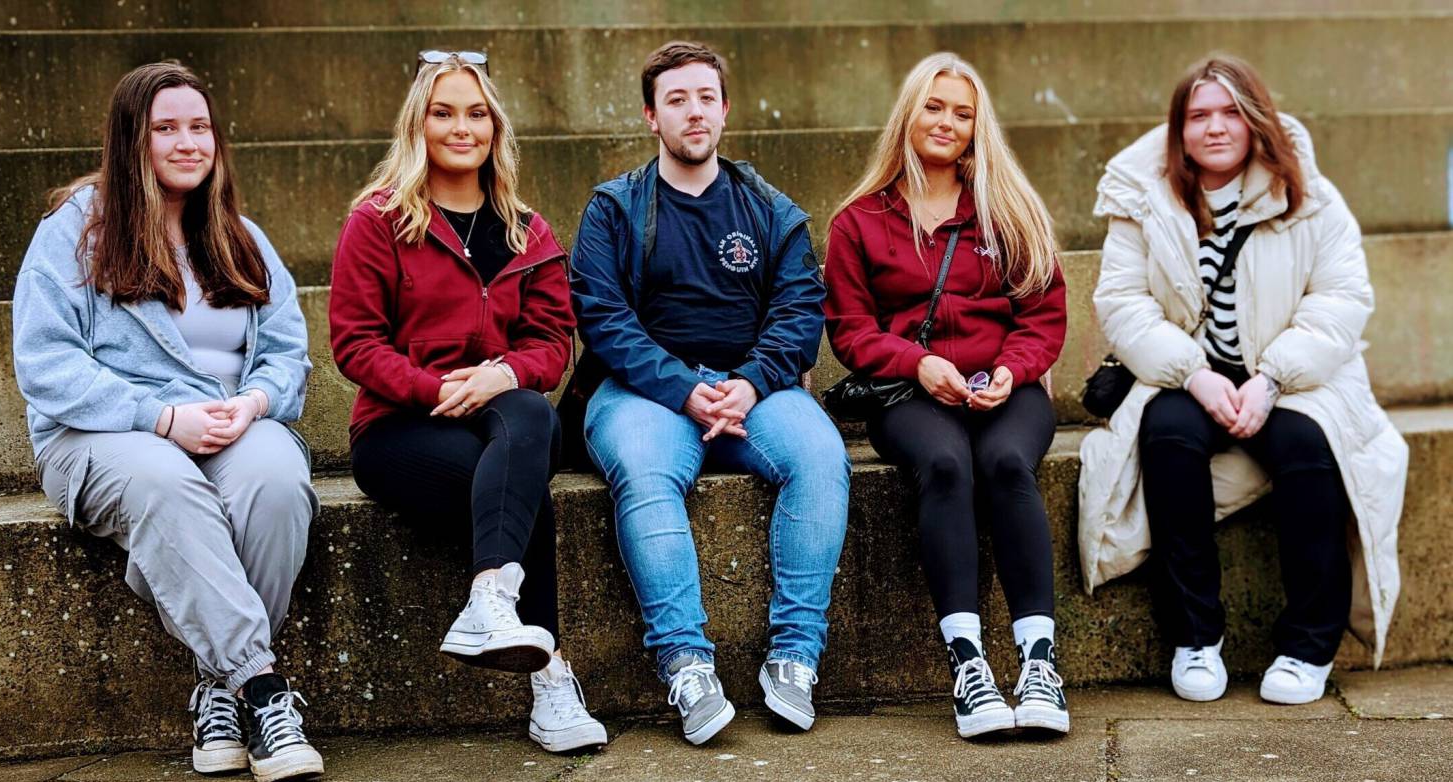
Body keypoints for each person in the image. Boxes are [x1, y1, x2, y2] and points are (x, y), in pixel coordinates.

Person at [11, 62, 322, 782]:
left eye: (200, 126)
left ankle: (220, 689)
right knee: (168, 486)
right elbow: (46, 362)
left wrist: (253, 404)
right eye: (166, 129)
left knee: (277, 480)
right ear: (131, 140)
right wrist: (159, 415)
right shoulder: (74, 232)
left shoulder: (239, 235)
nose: (189, 143)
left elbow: (287, 354)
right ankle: (265, 692)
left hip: (229, 421)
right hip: (101, 434)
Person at [1080, 54, 1408, 705]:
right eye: (1199, 114)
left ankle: (1308, 645)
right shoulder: (1143, 197)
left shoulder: (1311, 195)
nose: (1216, 127)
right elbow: (1123, 303)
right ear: (1178, 129)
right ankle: (1194, 638)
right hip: (1183, 376)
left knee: (1309, 448)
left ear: (1257, 119)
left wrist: (1272, 378)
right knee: (1167, 435)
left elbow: (1340, 300)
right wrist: (1193, 374)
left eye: (1232, 111)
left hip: (1294, 377)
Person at [570, 41, 849, 745]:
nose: (693, 112)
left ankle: (794, 656)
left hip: (756, 390)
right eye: (676, 100)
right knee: (644, 470)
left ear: (724, 110)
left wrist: (750, 382)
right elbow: (603, 321)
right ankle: (686, 662)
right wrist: (686, 388)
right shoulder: (613, 209)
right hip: (643, 393)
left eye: (705, 97)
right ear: (650, 117)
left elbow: (799, 314)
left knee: (821, 454)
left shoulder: (772, 211)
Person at [329, 49, 606, 753]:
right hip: (398, 430)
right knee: (526, 481)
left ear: (495, 127)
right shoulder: (378, 221)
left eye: (476, 113)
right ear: (417, 125)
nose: (462, 127)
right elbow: (355, 343)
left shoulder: (526, 229)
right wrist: (439, 388)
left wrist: (502, 374)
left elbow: (551, 339)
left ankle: (491, 600)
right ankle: (550, 676)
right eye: (443, 112)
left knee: (530, 415)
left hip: (499, 414)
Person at [823, 53, 1070, 739]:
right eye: (934, 106)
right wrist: (919, 361)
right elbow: (850, 328)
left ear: (976, 125)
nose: (947, 122)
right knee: (948, 464)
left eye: (962, 113)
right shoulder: (860, 221)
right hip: (911, 393)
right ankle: (968, 665)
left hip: (1004, 388)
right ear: (909, 111)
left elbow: (1043, 314)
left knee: (1006, 464)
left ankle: (1039, 662)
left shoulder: (1007, 207)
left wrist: (1014, 371)